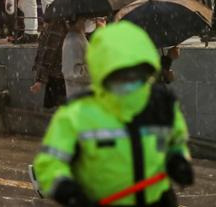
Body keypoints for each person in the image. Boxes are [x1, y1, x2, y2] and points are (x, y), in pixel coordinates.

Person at [32, 21, 193, 206]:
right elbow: (49, 163)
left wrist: (177, 158)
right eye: (121, 75)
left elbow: (176, 140)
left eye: (136, 73)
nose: (129, 82)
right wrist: (68, 191)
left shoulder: (161, 106)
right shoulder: (78, 114)